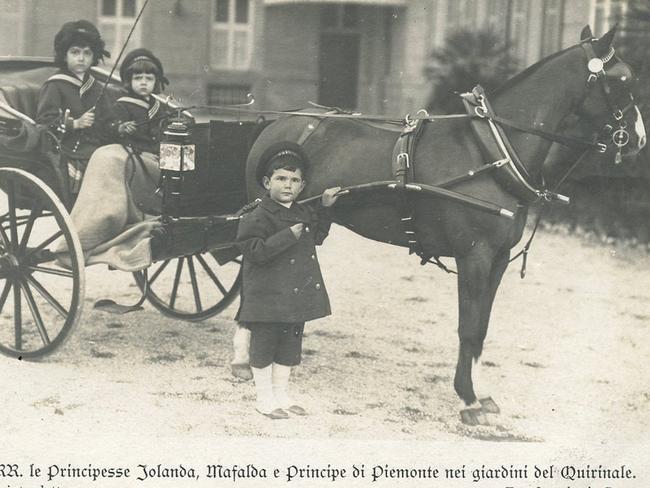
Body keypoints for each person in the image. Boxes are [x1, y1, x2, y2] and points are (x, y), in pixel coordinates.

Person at [236, 147, 341, 419]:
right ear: (267, 183)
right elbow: (253, 252)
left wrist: (326, 209)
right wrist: (286, 237)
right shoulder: (256, 215)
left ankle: (281, 394)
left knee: (289, 348)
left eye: (294, 181)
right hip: (268, 296)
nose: (288, 185)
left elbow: (316, 236)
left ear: (302, 185)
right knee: (264, 347)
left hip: (294, 295)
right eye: (281, 179)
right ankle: (264, 398)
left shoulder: (303, 212)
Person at [36, 19, 111, 194]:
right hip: (67, 150)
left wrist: (118, 127)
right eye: (75, 52)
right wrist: (74, 124)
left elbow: (108, 120)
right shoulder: (55, 85)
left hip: (96, 147)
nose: (81, 58)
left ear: (94, 56)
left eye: (87, 53)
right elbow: (43, 124)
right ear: (64, 55)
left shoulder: (97, 87)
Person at [109, 48, 170, 155]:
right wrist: (120, 129)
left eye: (149, 79)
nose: (143, 83)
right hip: (135, 156)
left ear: (156, 82)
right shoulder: (122, 105)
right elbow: (110, 130)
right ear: (129, 80)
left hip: (158, 156)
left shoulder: (159, 106)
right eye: (138, 78)